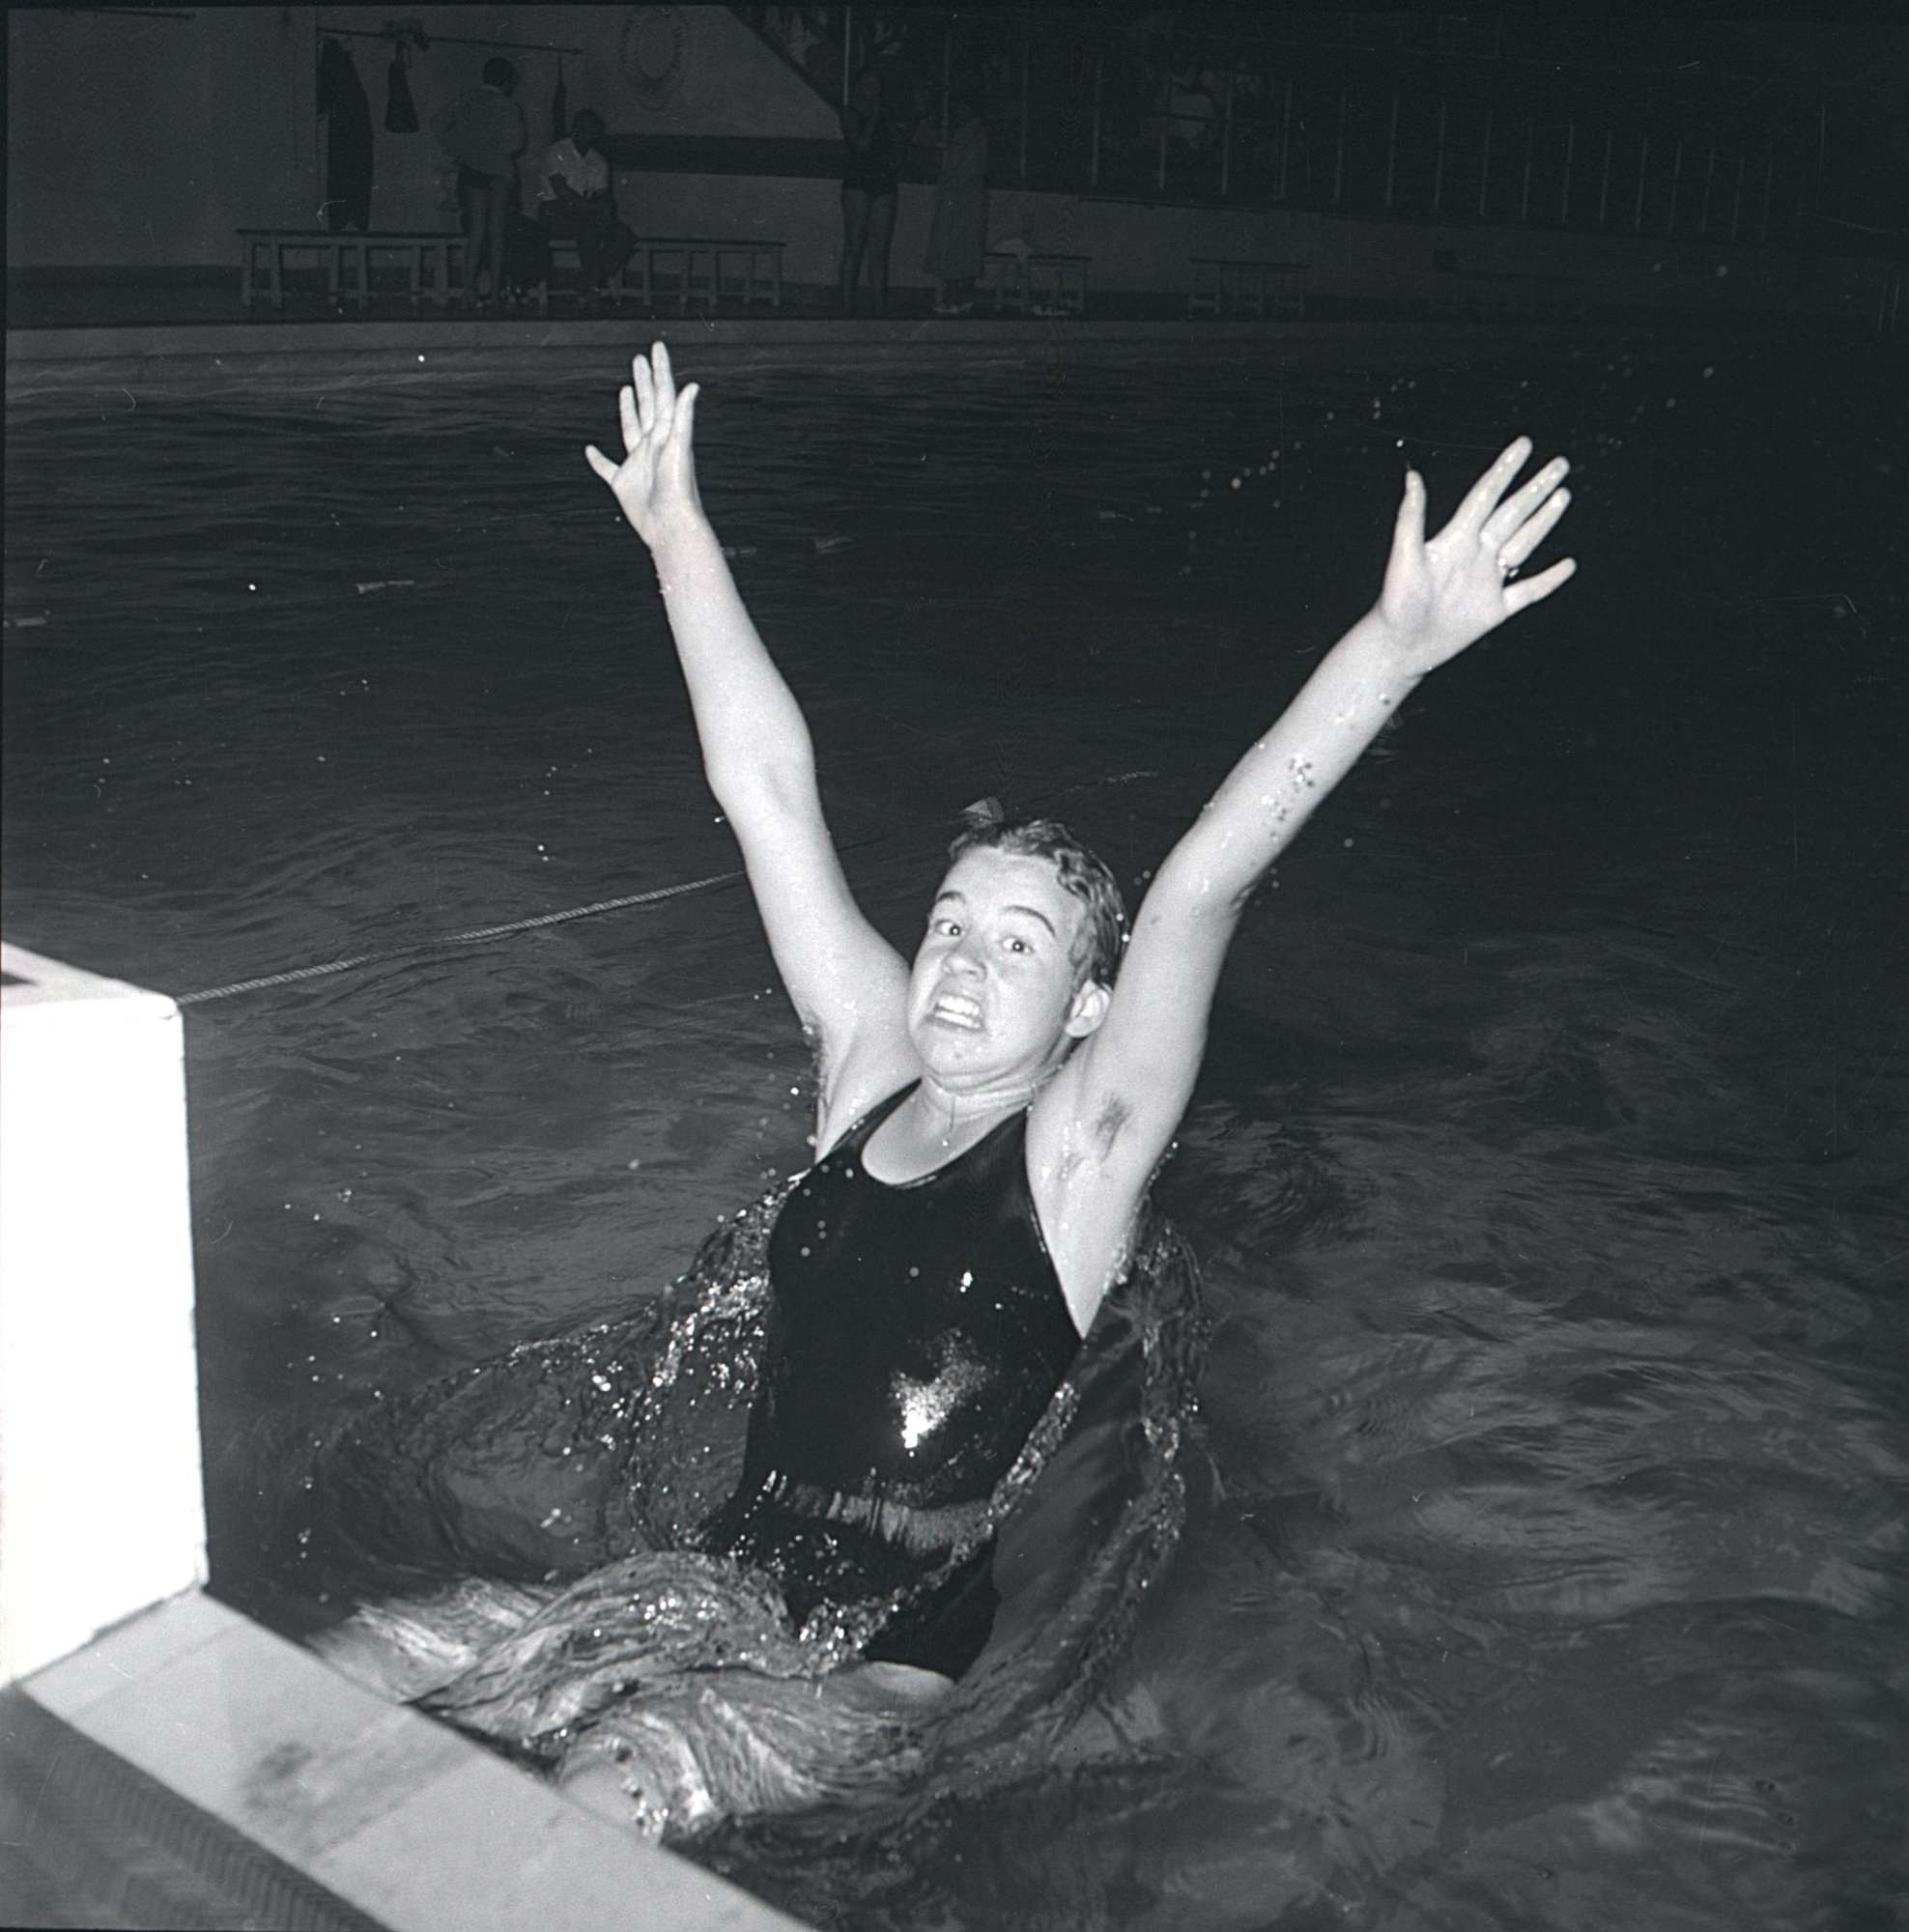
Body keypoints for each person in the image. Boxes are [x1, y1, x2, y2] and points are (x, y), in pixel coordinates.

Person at [309, 343, 1575, 1832]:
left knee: (615, 1780)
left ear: (1088, 1006)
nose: (964, 961)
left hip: (881, 1668)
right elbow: (767, 792)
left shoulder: (1082, 1152)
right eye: (953, 922)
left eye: (1019, 944)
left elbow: (1203, 887)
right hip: (710, 1590)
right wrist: (677, 535)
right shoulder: (865, 1064)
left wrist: (1391, 650)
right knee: (361, 1659)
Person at [434, 57, 527, 307]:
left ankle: (468, 292)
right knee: (497, 234)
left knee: (476, 233)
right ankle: (495, 294)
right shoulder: (508, 106)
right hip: (499, 171)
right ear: (507, 81)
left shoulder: (467, 99)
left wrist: (457, 148)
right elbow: (516, 144)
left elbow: (438, 123)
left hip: (472, 169)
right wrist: (495, 148)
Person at [535, 108, 636, 300]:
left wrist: (605, 212)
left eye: (590, 130)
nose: (585, 133)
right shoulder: (556, 151)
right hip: (555, 210)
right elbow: (561, 191)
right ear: (574, 128)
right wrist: (593, 208)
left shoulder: (598, 160)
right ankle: (591, 284)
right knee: (587, 229)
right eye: (581, 128)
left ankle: (588, 278)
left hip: (585, 212)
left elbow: (602, 193)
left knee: (624, 235)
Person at [839, 70, 907, 316]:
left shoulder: (886, 115)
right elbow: (861, 145)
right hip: (858, 183)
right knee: (854, 247)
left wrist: (890, 127)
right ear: (858, 87)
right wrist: (875, 117)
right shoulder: (849, 112)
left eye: (877, 85)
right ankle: (846, 307)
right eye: (868, 85)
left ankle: (880, 308)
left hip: (884, 183)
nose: (873, 90)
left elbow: (899, 146)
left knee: (879, 251)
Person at [925, 89, 988, 315]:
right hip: (960, 201)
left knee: (960, 251)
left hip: (964, 202)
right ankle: (958, 298)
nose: (957, 112)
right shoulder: (965, 133)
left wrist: (947, 185)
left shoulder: (975, 134)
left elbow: (966, 172)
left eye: (962, 107)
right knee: (959, 252)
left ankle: (957, 299)